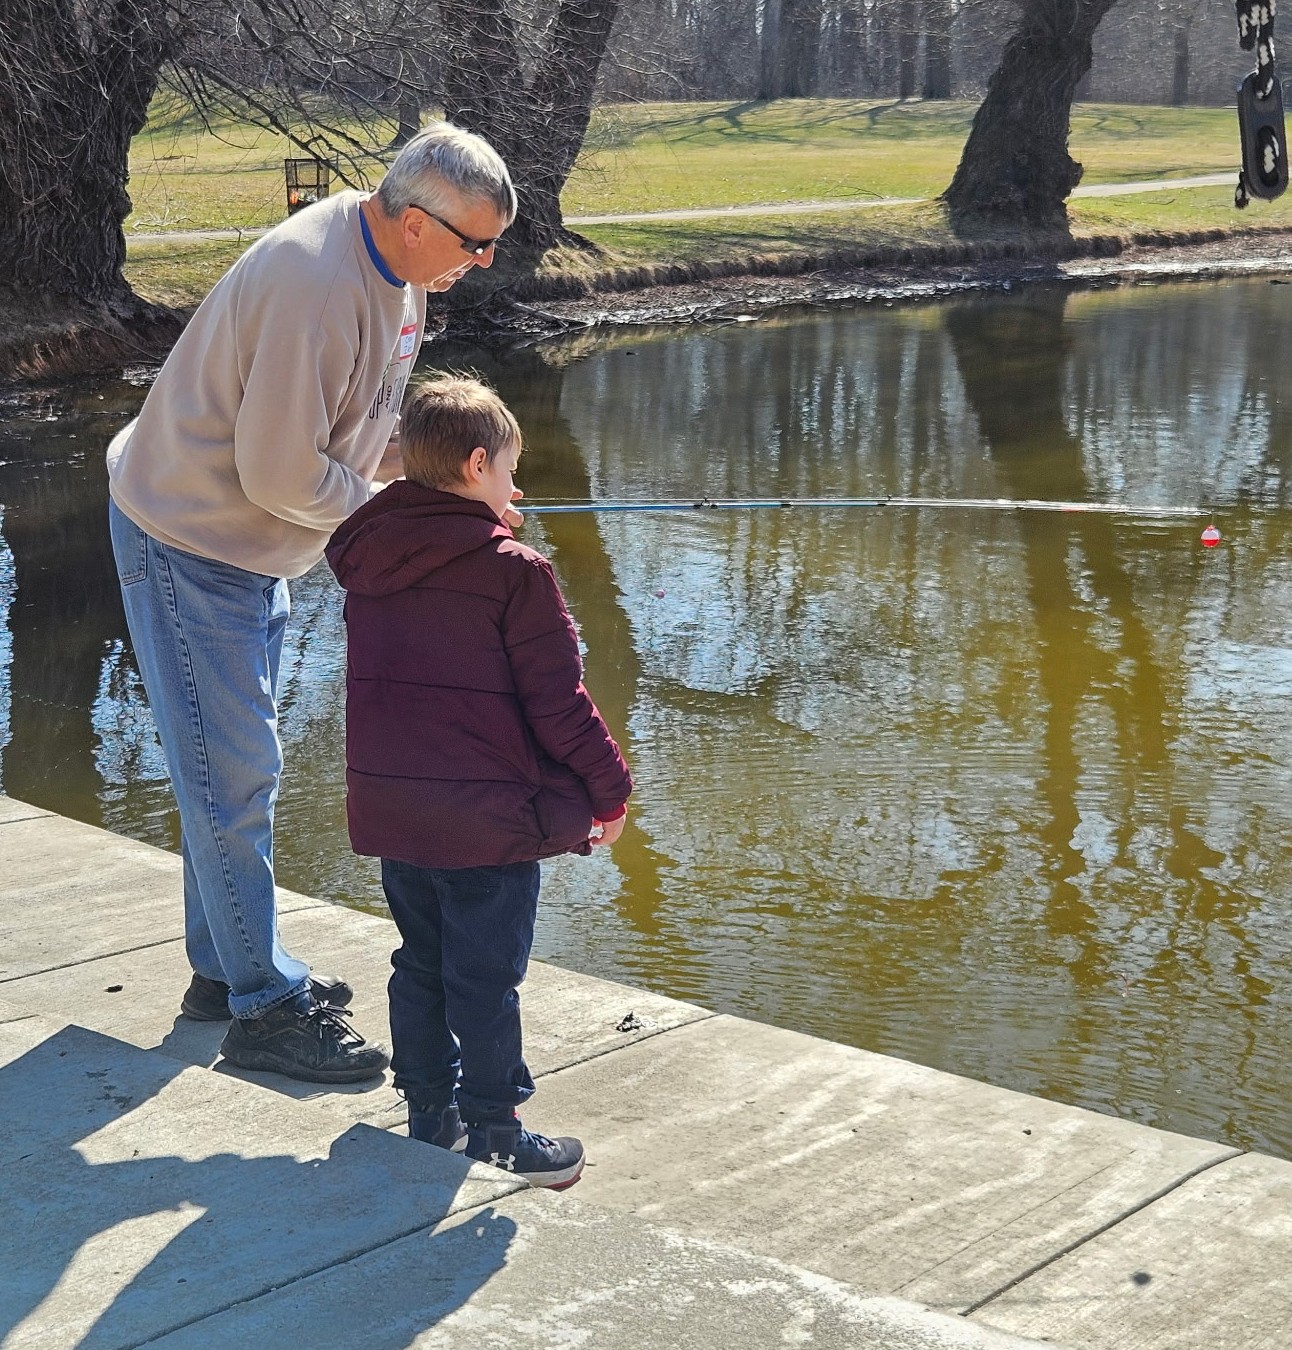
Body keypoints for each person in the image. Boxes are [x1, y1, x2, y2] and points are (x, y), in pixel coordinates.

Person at [106, 123, 517, 1083]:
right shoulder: (316, 286)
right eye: (474, 243)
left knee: (227, 768)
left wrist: (451, 490)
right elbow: (282, 471)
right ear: (415, 219)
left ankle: (226, 971)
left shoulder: (401, 272)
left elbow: (361, 428)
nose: (484, 262)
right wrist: (396, 518)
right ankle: (264, 1009)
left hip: (255, 546)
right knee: (233, 775)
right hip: (188, 536)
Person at [324, 376, 632, 1188]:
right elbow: (558, 704)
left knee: (421, 964)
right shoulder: (515, 572)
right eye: (508, 471)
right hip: (485, 821)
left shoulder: (368, 558)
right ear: (475, 464)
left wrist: (484, 524)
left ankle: (430, 1116)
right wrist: (610, 790)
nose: (515, 488)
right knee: (485, 981)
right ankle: (497, 1132)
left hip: (396, 809)